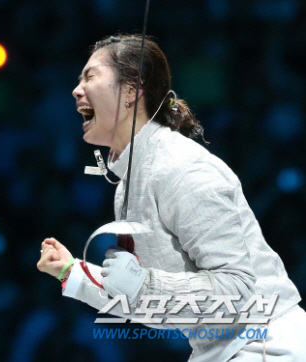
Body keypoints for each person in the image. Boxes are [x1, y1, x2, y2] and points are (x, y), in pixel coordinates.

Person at [36, 34, 306, 362]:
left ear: (130, 91)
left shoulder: (181, 167)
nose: (78, 89)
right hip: (221, 349)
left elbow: (238, 290)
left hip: (267, 345)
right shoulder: (130, 185)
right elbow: (151, 301)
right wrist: (74, 273)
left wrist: (143, 283)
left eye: (91, 77)